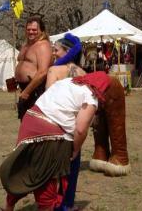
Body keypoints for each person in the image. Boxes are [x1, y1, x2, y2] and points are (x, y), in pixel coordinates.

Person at [0, 71, 111, 211]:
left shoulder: (69, 81)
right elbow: (81, 130)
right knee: (49, 179)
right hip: (51, 134)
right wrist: (75, 150)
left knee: (26, 168)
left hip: (30, 122)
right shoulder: (90, 97)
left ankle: (8, 206)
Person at [46, 33, 85, 211]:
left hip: (55, 125)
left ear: (67, 52)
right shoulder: (83, 73)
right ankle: (67, 204)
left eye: (56, 50)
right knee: (73, 164)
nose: (53, 53)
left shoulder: (54, 71)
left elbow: (49, 97)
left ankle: (55, 205)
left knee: (54, 168)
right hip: (75, 126)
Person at [14, 16, 52, 120]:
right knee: (24, 121)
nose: (31, 32)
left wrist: (27, 91)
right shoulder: (26, 45)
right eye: (28, 29)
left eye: (34, 30)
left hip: (35, 90)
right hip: (23, 88)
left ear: (42, 31)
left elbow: (43, 72)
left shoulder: (43, 45)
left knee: (34, 123)